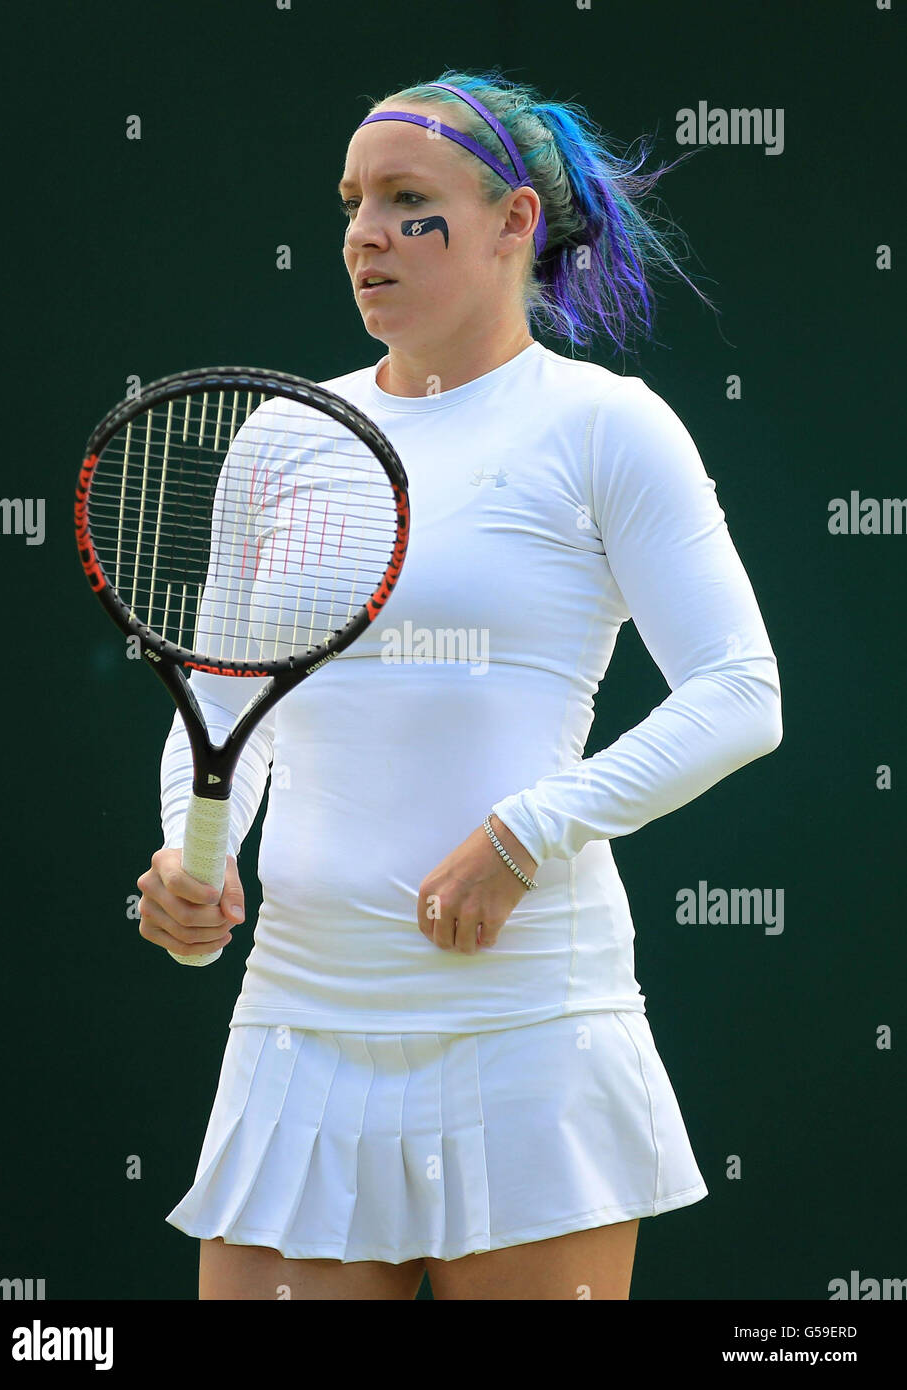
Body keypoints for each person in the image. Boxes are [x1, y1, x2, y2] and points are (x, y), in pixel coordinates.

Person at [137, 68, 783, 1301]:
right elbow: (220, 704)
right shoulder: (278, 438)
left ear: (512, 224)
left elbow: (741, 690)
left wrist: (528, 832)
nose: (362, 234)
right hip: (298, 1024)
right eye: (350, 202)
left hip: (532, 1029)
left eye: (405, 199)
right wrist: (189, 855)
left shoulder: (606, 427)